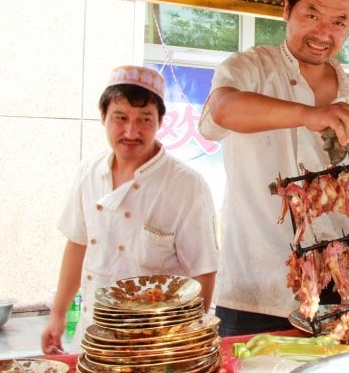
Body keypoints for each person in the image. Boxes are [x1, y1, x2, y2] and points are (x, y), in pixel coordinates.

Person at [198, 0, 349, 336]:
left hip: (338, 288)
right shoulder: (250, 67)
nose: (323, 33)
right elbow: (222, 109)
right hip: (258, 287)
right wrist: (308, 114)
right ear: (287, 9)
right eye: (311, 15)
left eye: (338, 22)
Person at [41, 65, 219, 354]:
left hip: (157, 344)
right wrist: (57, 314)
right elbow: (77, 244)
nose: (131, 131)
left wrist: (188, 340)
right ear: (103, 117)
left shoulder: (187, 185)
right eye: (120, 118)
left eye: (144, 119)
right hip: (93, 336)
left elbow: (204, 271)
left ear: (160, 121)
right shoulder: (89, 172)